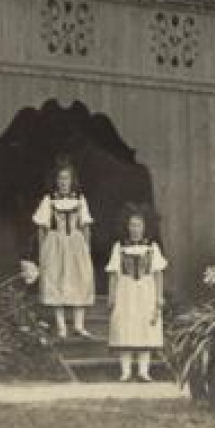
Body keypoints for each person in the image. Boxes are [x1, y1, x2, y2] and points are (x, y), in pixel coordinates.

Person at [31, 155, 95, 339]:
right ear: (55, 181)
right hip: (56, 243)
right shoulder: (49, 200)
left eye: (66, 178)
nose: (63, 182)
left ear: (72, 180)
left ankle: (78, 325)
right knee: (56, 280)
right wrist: (43, 250)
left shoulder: (80, 199)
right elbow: (41, 227)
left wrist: (87, 249)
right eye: (60, 179)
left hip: (76, 243)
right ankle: (61, 326)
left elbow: (85, 226)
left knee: (80, 279)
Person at [106, 210, 168, 381]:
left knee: (145, 327)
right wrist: (112, 296)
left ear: (145, 227)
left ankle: (143, 371)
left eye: (138, 225)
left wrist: (159, 297)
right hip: (125, 291)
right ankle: (125, 371)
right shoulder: (119, 247)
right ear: (127, 227)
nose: (135, 229)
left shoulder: (152, 248)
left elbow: (158, 274)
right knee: (125, 327)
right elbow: (113, 273)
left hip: (146, 291)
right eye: (132, 225)